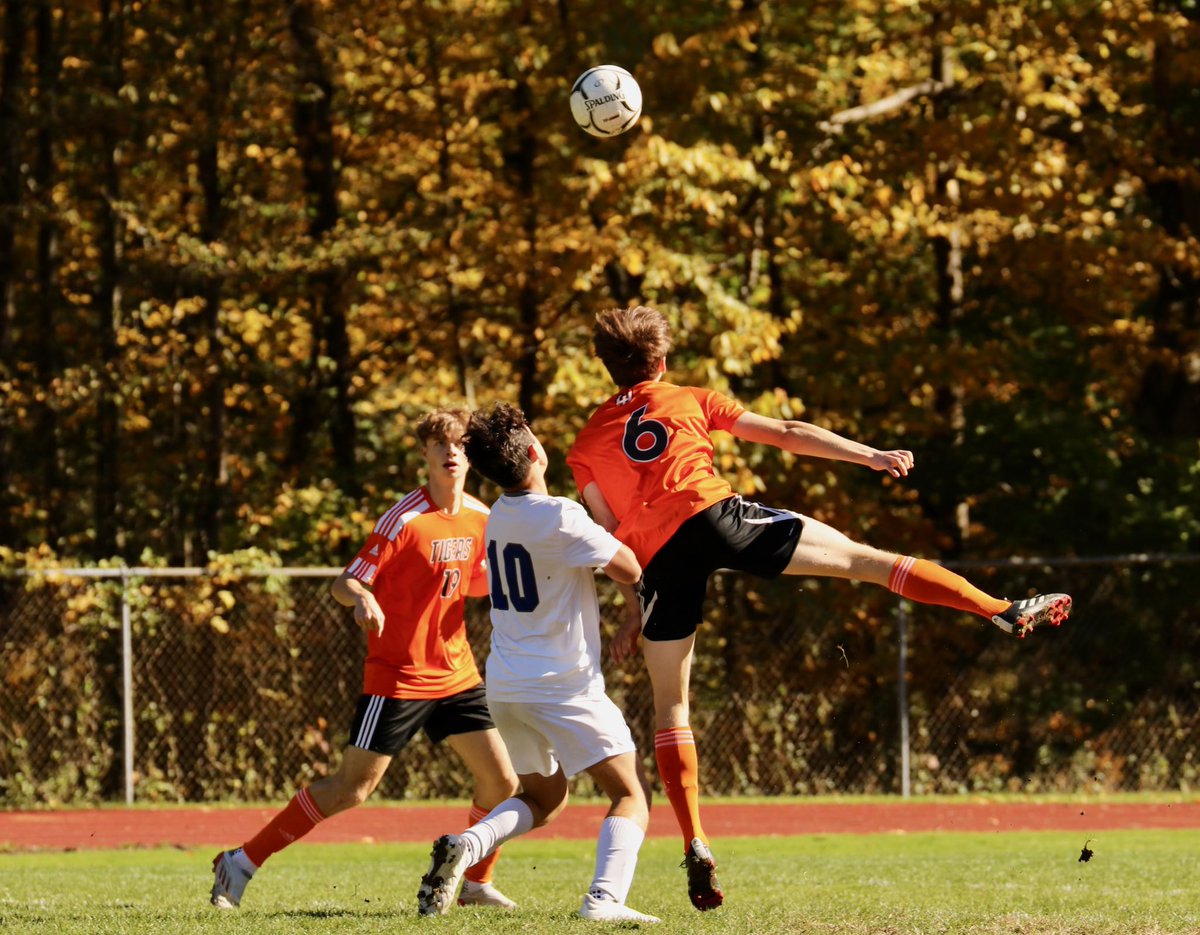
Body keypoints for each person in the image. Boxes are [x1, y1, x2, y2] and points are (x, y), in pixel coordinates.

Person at [566, 304, 1073, 912]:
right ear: (662, 360)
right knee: (867, 561)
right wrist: (870, 455)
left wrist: (633, 608)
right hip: (714, 517)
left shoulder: (586, 442)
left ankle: (695, 838)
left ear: (606, 366)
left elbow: (611, 534)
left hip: (658, 561)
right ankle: (998, 608)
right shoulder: (688, 398)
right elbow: (785, 433)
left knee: (672, 708)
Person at [210, 407, 519, 911]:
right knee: (353, 789)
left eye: (461, 444)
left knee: (503, 782)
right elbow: (345, 581)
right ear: (424, 454)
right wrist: (362, 598)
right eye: (440, 444)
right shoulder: (404, 518)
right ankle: (240, 861)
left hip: (456, 674)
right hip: (397, 677)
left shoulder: (484, 517)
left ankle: (475, 883)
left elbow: (476, 581)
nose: (452, 453)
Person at [416, 402, 660, 924]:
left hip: (506, 684)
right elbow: (628, 564)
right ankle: (604, 901)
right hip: (562, 684)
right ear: (535, 452)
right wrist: (632, 610)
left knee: (544, 798)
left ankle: (468, 843)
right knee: (629, 793)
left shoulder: (500, 513)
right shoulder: (560, 515)